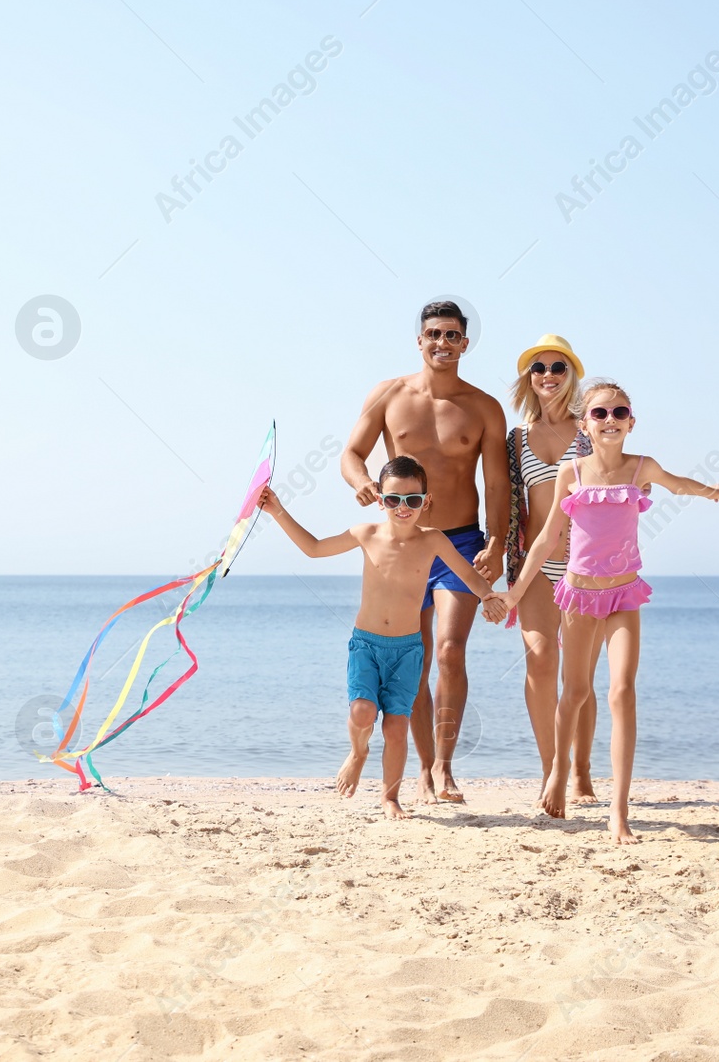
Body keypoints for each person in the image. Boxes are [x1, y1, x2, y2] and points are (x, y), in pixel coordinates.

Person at [499, 379, 719, 843]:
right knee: (575, 693)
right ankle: (559, 773)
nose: (610, 420)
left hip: (623, 596)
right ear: (585, 423)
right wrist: (517, 591)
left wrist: (709, 490)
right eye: (600, 414)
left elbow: (678, 484)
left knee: (622, 692)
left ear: (631, 422)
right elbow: (545, 540)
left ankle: (618, 811)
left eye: (618, 412)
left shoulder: (642, 467)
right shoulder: (574, 473)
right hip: (579, 597)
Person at [259, 456, 506, 819]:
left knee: (395, 726)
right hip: (367, 645)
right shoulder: (366, 534)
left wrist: (488, 596)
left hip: (407, 651)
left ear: (427, 500)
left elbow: (467, 575)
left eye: (412, 500)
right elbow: (313, 548)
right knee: (362, 713)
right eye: (393, 499)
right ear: (380, 500)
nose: (403, 508)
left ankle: (390, 797)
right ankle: (358, 753)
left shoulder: (433, 540)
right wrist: (277, 510)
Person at [341, 301, 509, 805]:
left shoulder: (483, 408)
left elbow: (497, 483)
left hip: (459, 541)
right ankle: (419, 768)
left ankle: (443, 765)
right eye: (433, 333)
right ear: (420, 340)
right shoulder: (389, 394)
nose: (442, 342)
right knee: (410, 661)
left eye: (452, 335)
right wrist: (363, 482)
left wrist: (497, 543)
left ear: (465, 343)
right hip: (404, 542)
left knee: (449, 651)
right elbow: (351, 453)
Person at [505, 335, 604, 805]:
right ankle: (552, 770)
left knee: (578, 677)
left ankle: (582, 771)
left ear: (571, 375)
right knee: (541, 663)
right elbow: (509, 503)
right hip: (534, 563)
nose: (547, 375)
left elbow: (615, 489)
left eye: (558, 367)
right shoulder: (516, 438)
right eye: (538, 367)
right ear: (529, 377)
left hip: (585, 565)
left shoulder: (593, 430)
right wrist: (500, 553)